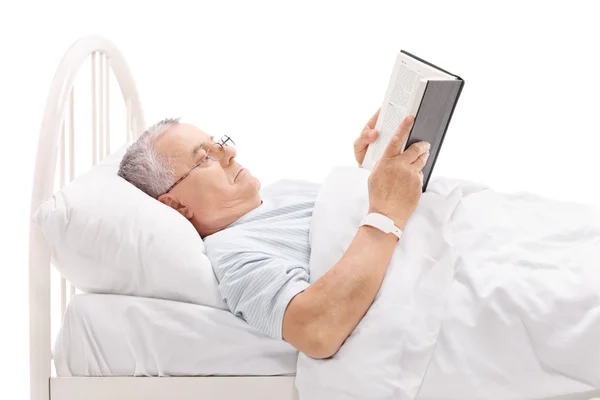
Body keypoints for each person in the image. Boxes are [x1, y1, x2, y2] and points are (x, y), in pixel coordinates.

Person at [118, 110, 431, 359]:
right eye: (204, 158)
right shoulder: (233, 253)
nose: (229, 152)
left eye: (218, 142)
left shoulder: (280, 191)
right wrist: (386, 215)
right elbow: (316, 330)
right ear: (175, 205)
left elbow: (344, 226)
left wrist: (370, 172)